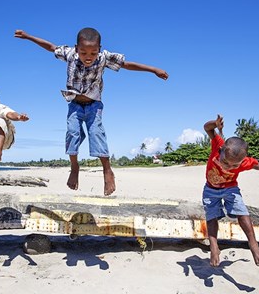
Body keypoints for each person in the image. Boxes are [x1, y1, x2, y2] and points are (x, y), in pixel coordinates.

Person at [14, 27, 168, 196]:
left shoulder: (103, 58)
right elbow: (51, 47)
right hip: (74, 104)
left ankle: (107, 171)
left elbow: (126, 64)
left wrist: (153, 70)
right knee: (72, 133)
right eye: (83, 52)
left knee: (97, 134)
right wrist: (28, 37)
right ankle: (74, 167)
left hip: (94, 105)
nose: (88, 57)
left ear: (99, 49)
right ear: (76, 48)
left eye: (93, 53)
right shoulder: (70, 54)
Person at [202, 114, 259, 267]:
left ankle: (253, 244)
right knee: (211, 216)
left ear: (241, 161)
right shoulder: (219, 144)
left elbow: (256, 164)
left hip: (230, 189)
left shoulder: (244, 162)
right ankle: (214, 246)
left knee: (242, 211)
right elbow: (207, 128)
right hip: (210, 189)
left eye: (234, 166)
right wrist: (215, 124)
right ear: (221, 150)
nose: (228, 167)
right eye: (224, 162)